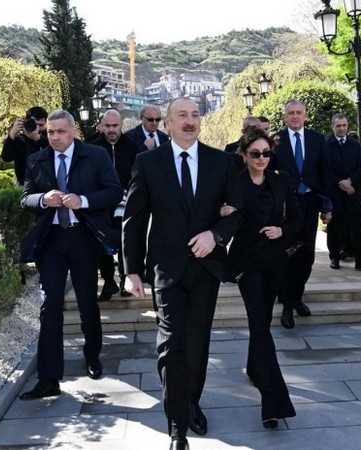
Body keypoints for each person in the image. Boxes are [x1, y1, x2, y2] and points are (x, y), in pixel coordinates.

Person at [122, 98, 243, 450]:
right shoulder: (148, 162)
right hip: (166, 269)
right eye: (182, 116)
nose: (190, 121)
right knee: (172, 342)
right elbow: (134, 219)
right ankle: (177, 427)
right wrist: (131, 270)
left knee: (197, 341)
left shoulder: (222, 162)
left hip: (206, 269)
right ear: (168, 124)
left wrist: (215, 235)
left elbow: (239, 213)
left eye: (195, 115)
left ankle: (191, 401)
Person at [19, 109, 123, 400]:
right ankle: (49, 377)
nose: (55, 137)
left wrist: (83, 200)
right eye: (50, 132)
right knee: (50, 305)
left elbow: (114, 191)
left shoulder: (95, 156)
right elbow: (25, 199)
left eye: (61, 132)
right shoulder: (36, 160)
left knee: (87, 301)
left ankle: (92, 356)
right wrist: (43, 199)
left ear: (73, 131)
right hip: (51, 240)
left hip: (83, 237)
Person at [224, 128, 301, 430]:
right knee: (258, 321)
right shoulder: (233, 183)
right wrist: (225, 211)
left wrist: (282, 231)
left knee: (263, 322)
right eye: (255, 153)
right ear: (244, 155)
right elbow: (220, 216)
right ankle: (273, 401)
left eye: (266, 153)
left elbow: (297, 218)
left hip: (274, 262)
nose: (261, 158)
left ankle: (255, 367)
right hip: (247, 264)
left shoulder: (280, 181)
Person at [270, 99, 332, 329]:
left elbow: (325, 172)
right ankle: (287, 305)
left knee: (306, 255)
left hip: (310, 203)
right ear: (284, 116)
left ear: (305, 115)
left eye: (299, 113)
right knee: (288, 253)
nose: (295, 116)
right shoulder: (276, 140)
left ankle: (297, 297)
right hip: (287, 206)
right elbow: (269, 174)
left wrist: (327, 205)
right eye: (291, 113)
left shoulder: (317, 139)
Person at [90, 109, 142, 300]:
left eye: (115, 126)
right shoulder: (92, 148)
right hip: (100, 202)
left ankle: (125, 279)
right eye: (108, 126)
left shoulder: (133, 148)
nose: (111, 130)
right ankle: (108, 281)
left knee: (124, 240)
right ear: (101, 126)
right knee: (102, 241)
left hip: (126, 200)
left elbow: (139, 175)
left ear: (121, 126)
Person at [324, 113, 361, 272]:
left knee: (358, 227)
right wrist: (341, 183)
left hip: (353, 193)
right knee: (334, 228)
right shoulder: (325, 145)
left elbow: (360, 167)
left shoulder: (355, 145)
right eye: (338, 126)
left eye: (344, 125)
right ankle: (334, 258)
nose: (341, 128)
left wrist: (350, 181)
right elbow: (325, 169)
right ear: (332, 127)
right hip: (335, 193)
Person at [1, 106, 49, 186]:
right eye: (34, 124)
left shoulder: (48, 136)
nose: (37, 128)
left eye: (41, 125)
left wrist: (39, 138)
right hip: (24, 184)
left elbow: (55, 152)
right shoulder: (19, 139)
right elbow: (6, 158)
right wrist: (12, 134)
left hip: (46, 184)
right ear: (26, 122)